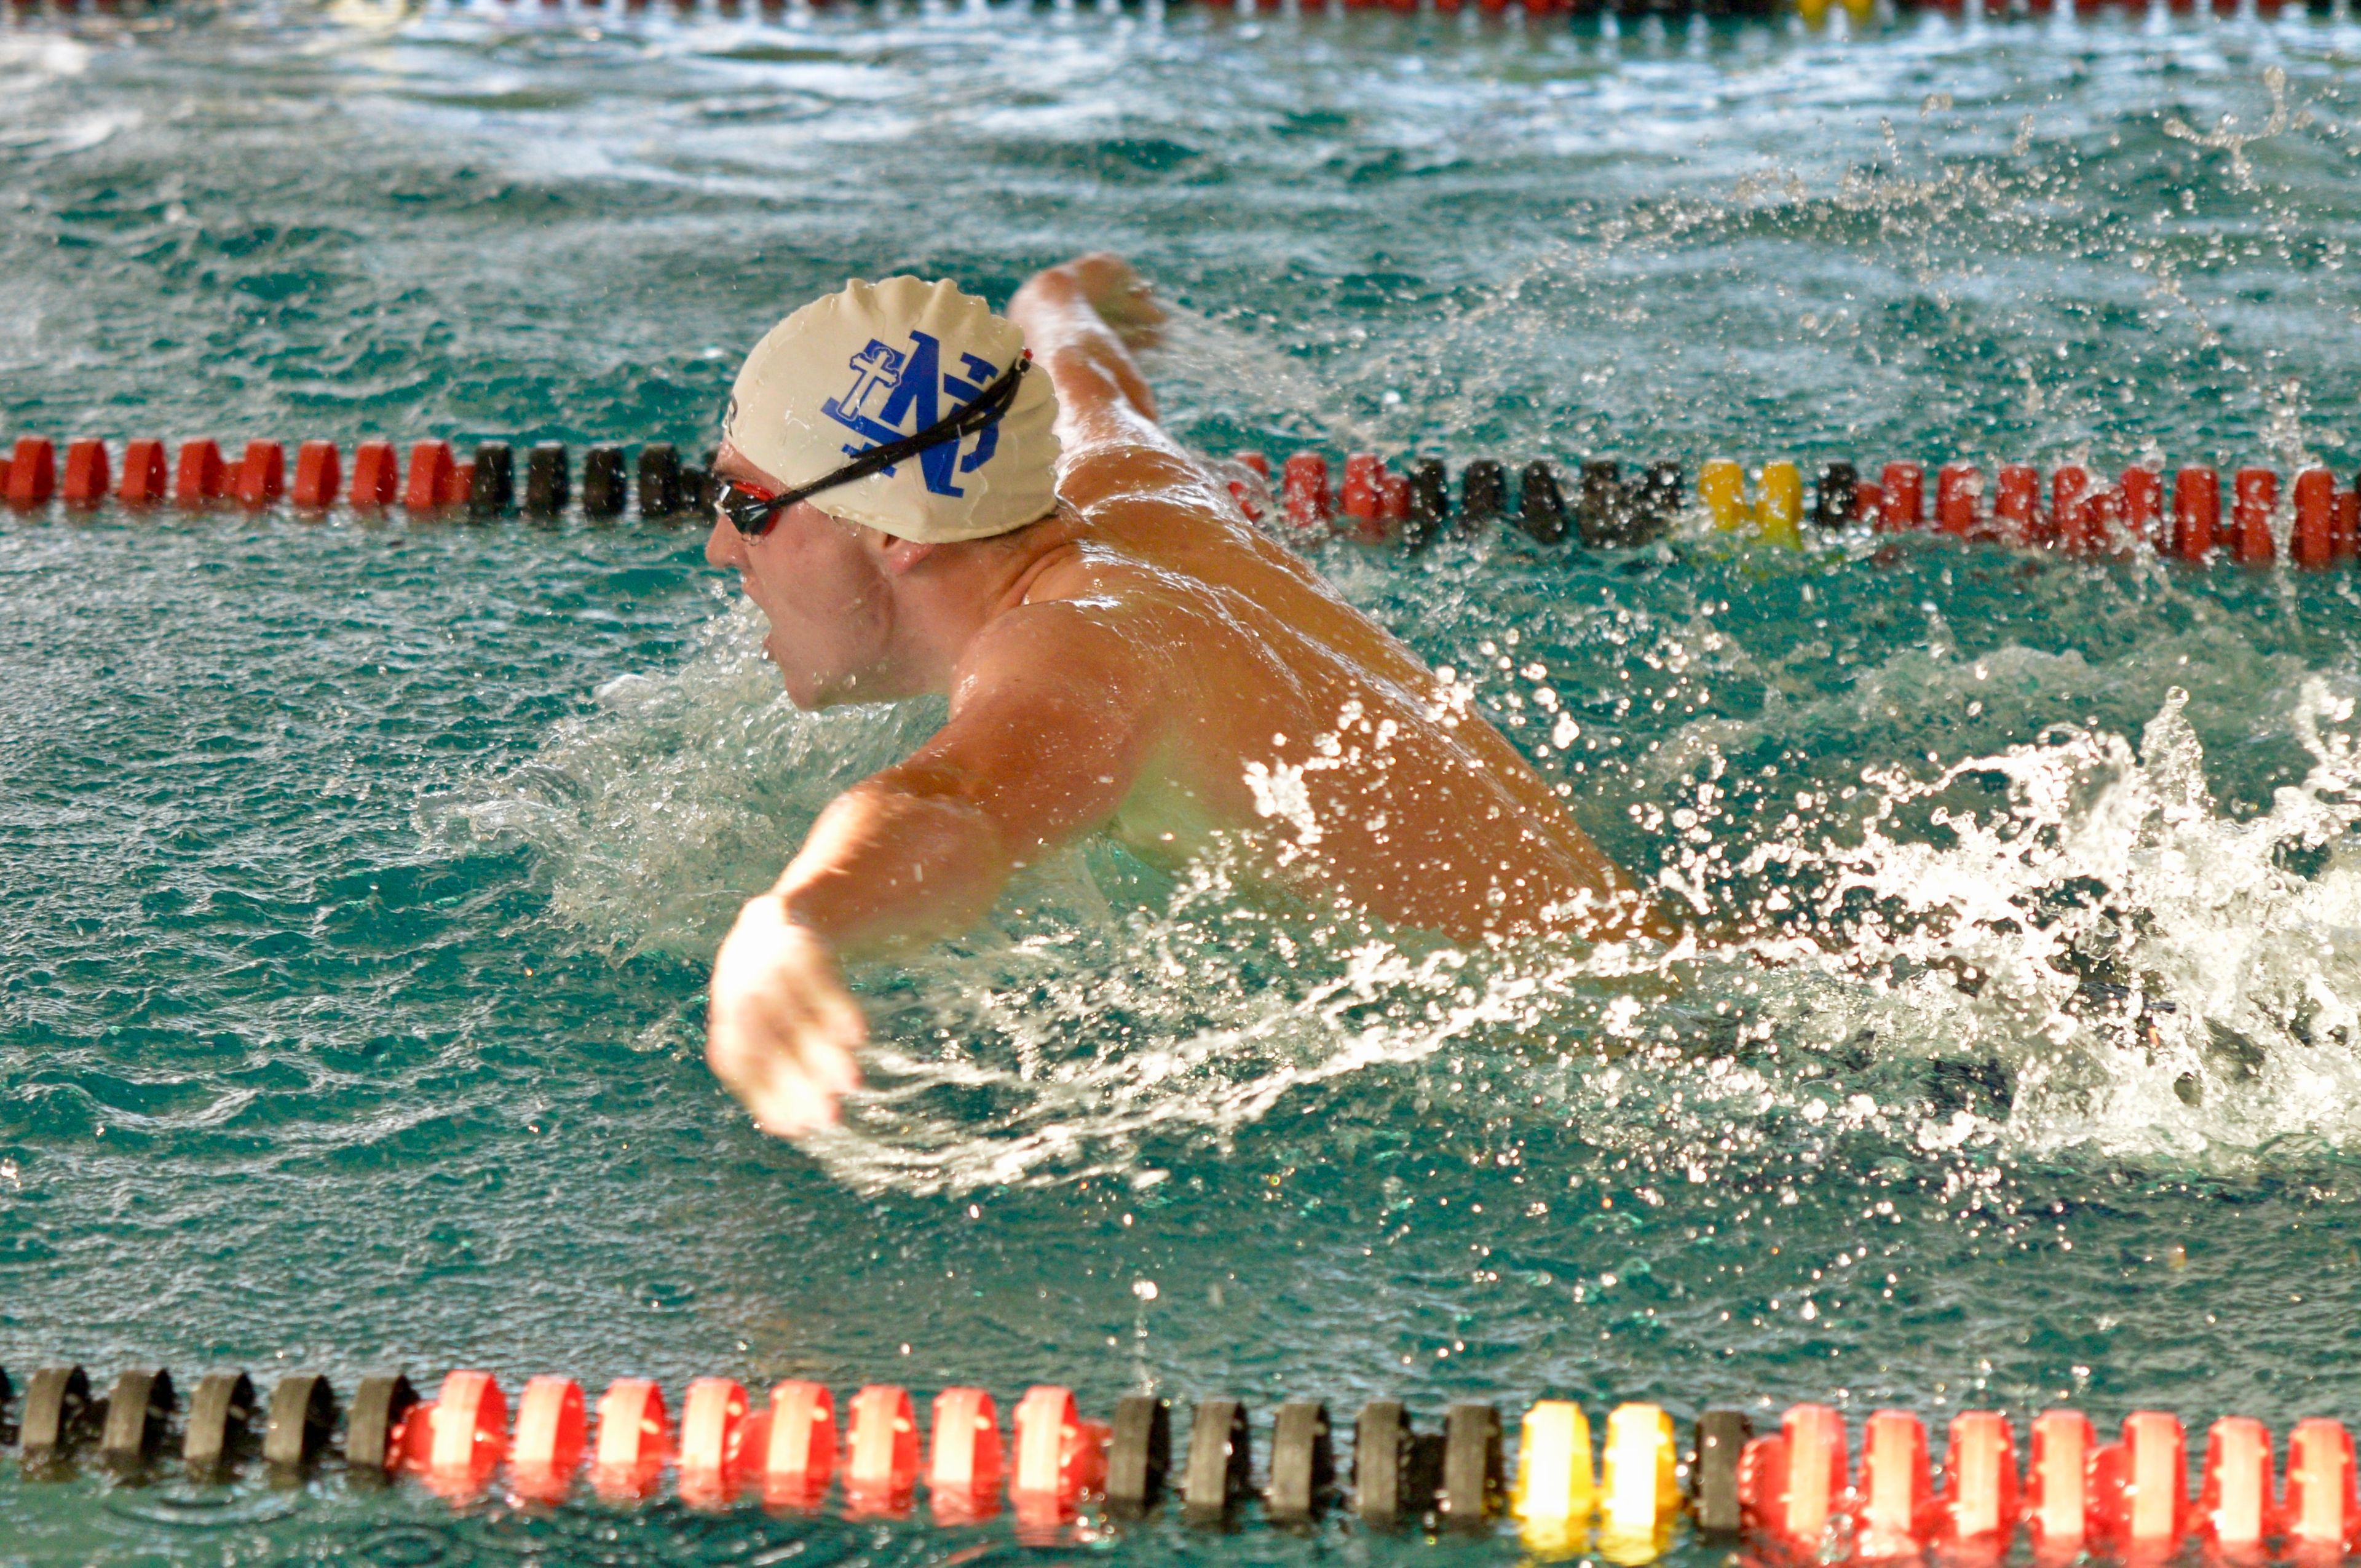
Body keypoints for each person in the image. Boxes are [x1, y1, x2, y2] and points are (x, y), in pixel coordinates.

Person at [700, 256, 1667, 1137]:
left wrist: (797, 918)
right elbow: (1076, 364)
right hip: (1670, 964)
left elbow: (958, 804)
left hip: (1655, 1055)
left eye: (750, 509)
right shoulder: (1125, 478)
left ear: (895, 528)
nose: (719, 549)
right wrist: (1060, 297)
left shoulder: (1075, 648)